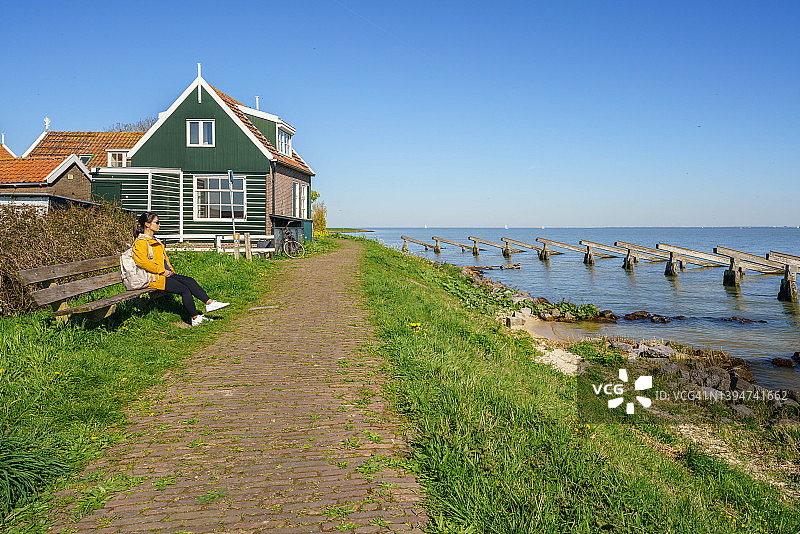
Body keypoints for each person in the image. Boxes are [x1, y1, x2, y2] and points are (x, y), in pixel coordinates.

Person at [132, 212, 229, 326]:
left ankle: (209, 303)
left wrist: (172, 273)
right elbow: (143, 262)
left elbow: (164, 260)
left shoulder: (156, 240)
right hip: (154, 278)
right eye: (157, 222)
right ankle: (195, 318)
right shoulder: (141, 243)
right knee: (184, 289)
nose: (159, 225)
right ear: (147, 224)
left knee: (189, 280)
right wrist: (162, 271)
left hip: (165, 274)